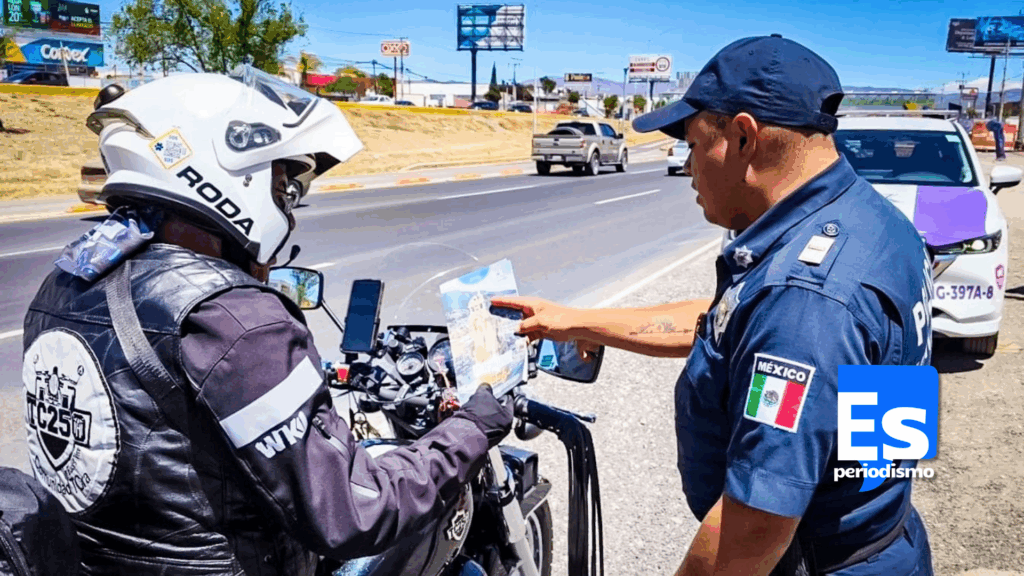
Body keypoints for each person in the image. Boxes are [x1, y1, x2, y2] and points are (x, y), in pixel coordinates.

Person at [22, 67, 512, 576]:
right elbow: (352, 512)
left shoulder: (62, 284)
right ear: (229, 173)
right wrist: (472, 427)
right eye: (282, 184)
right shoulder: (236, 317)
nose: (288, 209)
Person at [493, 34, 934, 576]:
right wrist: (577, 322)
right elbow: (740, 323)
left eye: (695, 143)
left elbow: (753, 527)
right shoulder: (871, 223)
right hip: (881, 534)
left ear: (744, 138)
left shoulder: (805, 299)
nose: (688, 164)